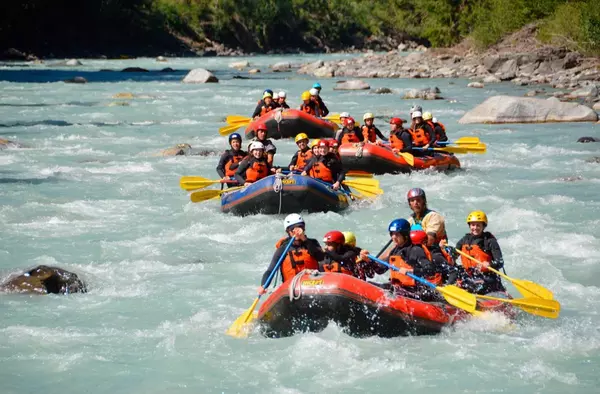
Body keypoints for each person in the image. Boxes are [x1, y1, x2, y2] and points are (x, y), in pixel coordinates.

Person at [359, 219, 440, 301]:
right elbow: (380, 270)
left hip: (415, 291)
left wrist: (411, 271)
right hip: (399, 287)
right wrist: (368, 260)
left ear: (405, 235)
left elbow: (430, 270)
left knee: (388, 289)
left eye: (397, 234)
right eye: (392, 234)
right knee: (369, 285)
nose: (393, 237)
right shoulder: (395, 251)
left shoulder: (415, 250)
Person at [258, 214, 324, 294]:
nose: (296, 232)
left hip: (313, 286)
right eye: (293, 229)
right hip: (291, 289)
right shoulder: (283, 249)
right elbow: (270, 270)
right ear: (288, 231)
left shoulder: (312, 243)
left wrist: (304, 239)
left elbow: (320, 257)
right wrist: (263, 286)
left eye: (300, 228)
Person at [447, 211, 506, 294]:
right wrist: (446, 249)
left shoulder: (490, 241)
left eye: (478, 225)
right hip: (471, 274)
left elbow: (500, 262)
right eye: (473, 225)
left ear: (483, 226)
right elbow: (454, 254)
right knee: (453, 272)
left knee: (472, 285)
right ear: (470, 226)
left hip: (488, 276)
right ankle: (447, 290)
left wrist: (490, 264)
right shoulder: (465, 240)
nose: (475, 228)